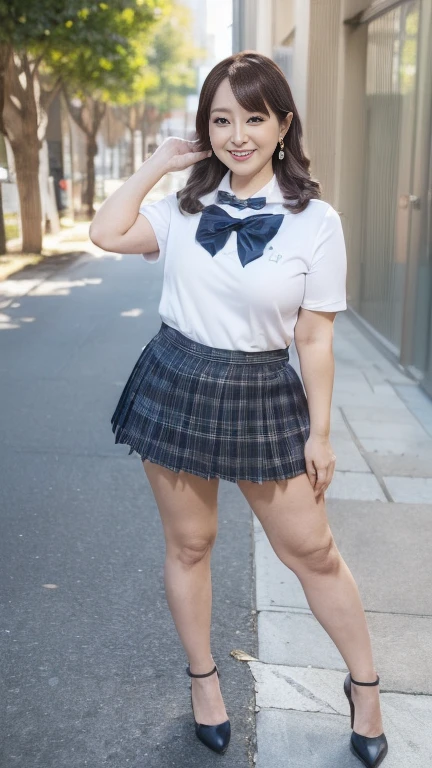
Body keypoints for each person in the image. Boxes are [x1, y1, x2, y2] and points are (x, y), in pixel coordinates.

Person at [89, 51, 388, 767]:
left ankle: (367, 686)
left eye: (253, 117)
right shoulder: (181, 207)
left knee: (312, 550)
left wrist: (319, 434)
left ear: (284, 124)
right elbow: (105, 232)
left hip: (262, 392)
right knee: (190, 545)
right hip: (177, 380)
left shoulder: (316, 221)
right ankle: (204, 681)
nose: (237, 134)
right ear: (205, 129)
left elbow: (315, 335)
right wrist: (159, 163)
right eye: (221, 119)